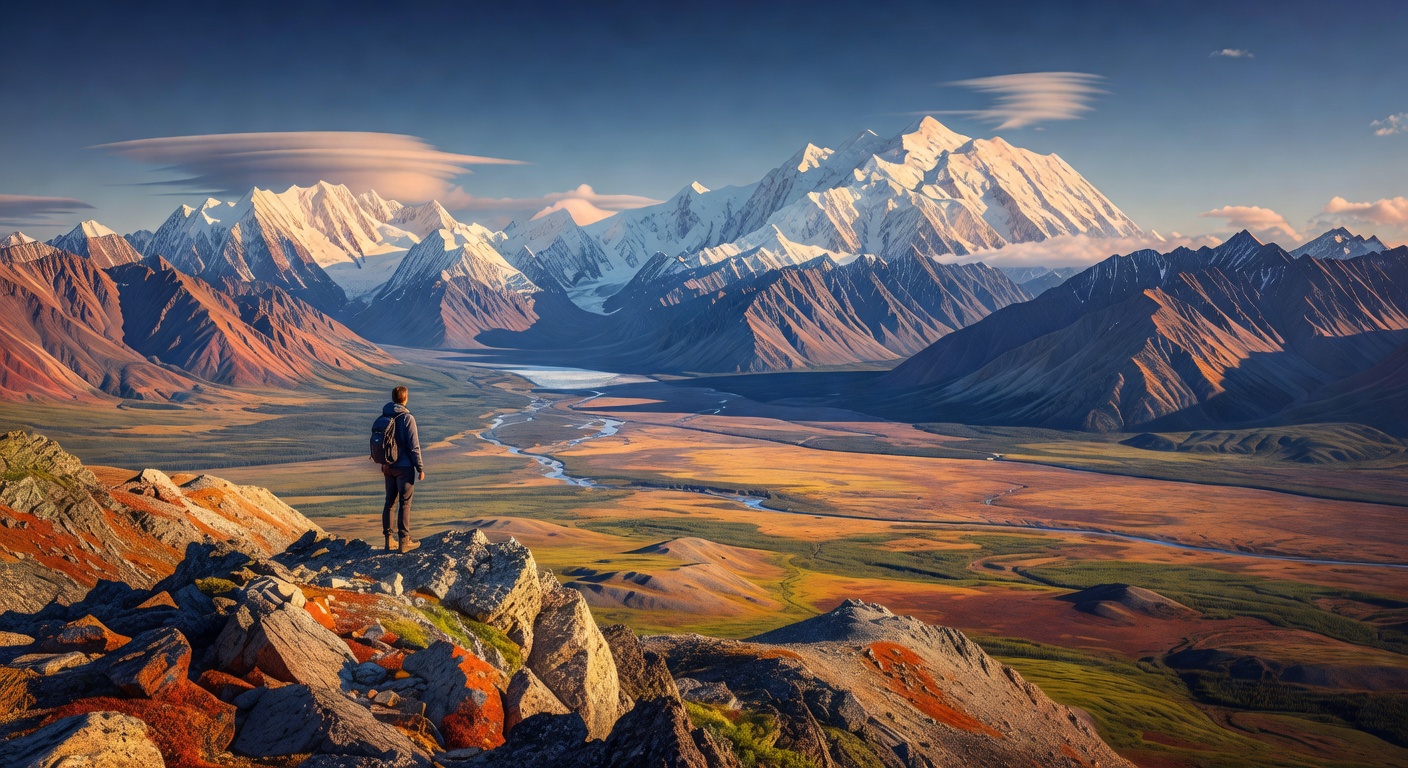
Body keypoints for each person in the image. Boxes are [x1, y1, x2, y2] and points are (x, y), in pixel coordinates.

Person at [380, 386, 424, 553]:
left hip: (387, 466)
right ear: (405, 399)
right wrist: (420, 467)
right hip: (404, 467)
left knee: (390, 502)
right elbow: (414, 447)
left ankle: (388, 541)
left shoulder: (385, 415)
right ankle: (404, 542)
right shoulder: (407, 418)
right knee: (405, 503)